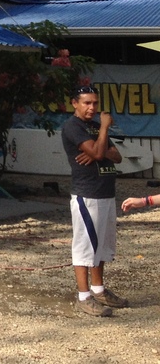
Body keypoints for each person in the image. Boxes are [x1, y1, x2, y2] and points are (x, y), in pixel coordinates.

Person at [62, 85, 127, 317]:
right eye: (87, 103)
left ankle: (99, 289)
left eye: (95, 103)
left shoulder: (95, 127)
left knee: (101, 245)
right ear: (75, 103)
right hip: (87, 193)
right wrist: (104, 131)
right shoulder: (74, 126)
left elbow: (116, 156)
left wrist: (99, 144)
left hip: (106, 192)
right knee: (85, 246)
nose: (92, 108)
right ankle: (84, 296)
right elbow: (99, 154)